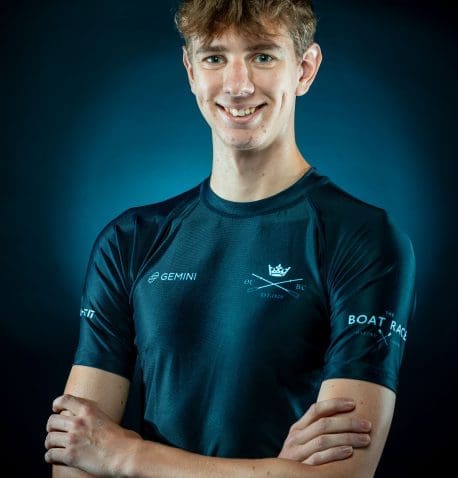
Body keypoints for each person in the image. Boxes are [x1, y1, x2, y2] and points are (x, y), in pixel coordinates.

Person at [44, 0, 417, 476]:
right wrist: (275, 470)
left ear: (304, 69)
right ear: (191, 71)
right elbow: (74, 458)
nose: (237, 85)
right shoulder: (129, 241)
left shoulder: (364, 240)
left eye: (262, 56)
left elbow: (340, 476)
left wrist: (127, 455)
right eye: (215, 57)